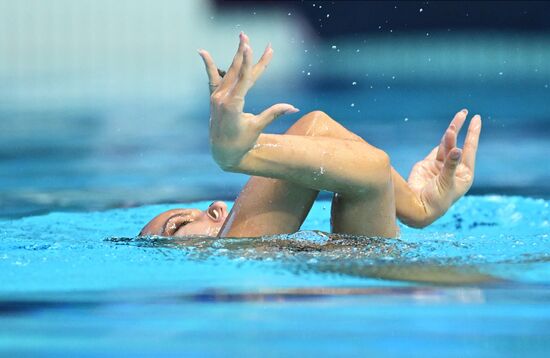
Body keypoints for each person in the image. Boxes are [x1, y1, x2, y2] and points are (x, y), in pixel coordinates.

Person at [140, 32, 482, 239]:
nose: (216, 207)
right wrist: (238, 156)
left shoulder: (263, 258)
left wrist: (417, 206)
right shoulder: (239, 260)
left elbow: (318, 126)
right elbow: (372, 171)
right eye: (178, 226)